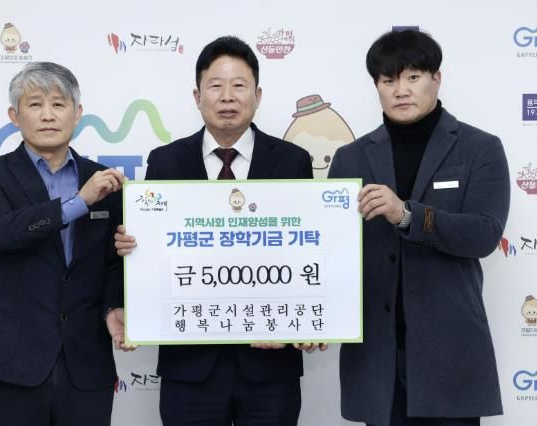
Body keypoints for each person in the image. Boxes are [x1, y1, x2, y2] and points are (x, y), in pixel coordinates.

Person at [115, 35, 319, 426]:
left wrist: (314, 320)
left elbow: (310, 250)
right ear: (197, 96)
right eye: (215, 85)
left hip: (270, 365)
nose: (227, 96)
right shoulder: (165, 162)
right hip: (189, 367)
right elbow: (151, 253)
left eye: (239, 85)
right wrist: (134, 247)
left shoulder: (292, 161)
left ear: (257, 95)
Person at [328, 30, 509, 426]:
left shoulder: (480, 148)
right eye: (388, 80)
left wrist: (407, 214)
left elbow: (484, 234)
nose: (401, 90)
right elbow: (332, 253)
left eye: (413, 77)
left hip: (450, 357)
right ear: (376, 86)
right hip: (377, 360)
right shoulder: (349, 158)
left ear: (436, 79)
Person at [0, 62, 127, 426]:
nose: (48, 115)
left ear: (77, 114)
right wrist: (80, 202)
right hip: (14, 362)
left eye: (59, 104)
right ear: (14, 116)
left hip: (88, 363)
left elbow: (113, 262)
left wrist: (114, 306)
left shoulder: (102, 181)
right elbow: (0, 232)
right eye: (35, 104)